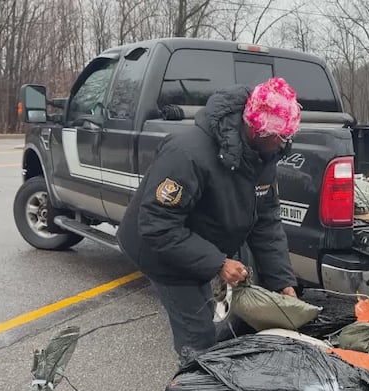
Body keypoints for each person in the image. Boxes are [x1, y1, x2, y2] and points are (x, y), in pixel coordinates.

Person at [117, 77, 301, 364]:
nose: (282, 144)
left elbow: (265, 222)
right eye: (278, 137)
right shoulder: (187, 153)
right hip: (160, 251)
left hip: (199, 239)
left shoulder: (263, 156)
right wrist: (217, 263)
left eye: (287, 137)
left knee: (208, 323)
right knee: (198, 338)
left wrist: (282, 282)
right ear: (255, 128)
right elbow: (157, 225)